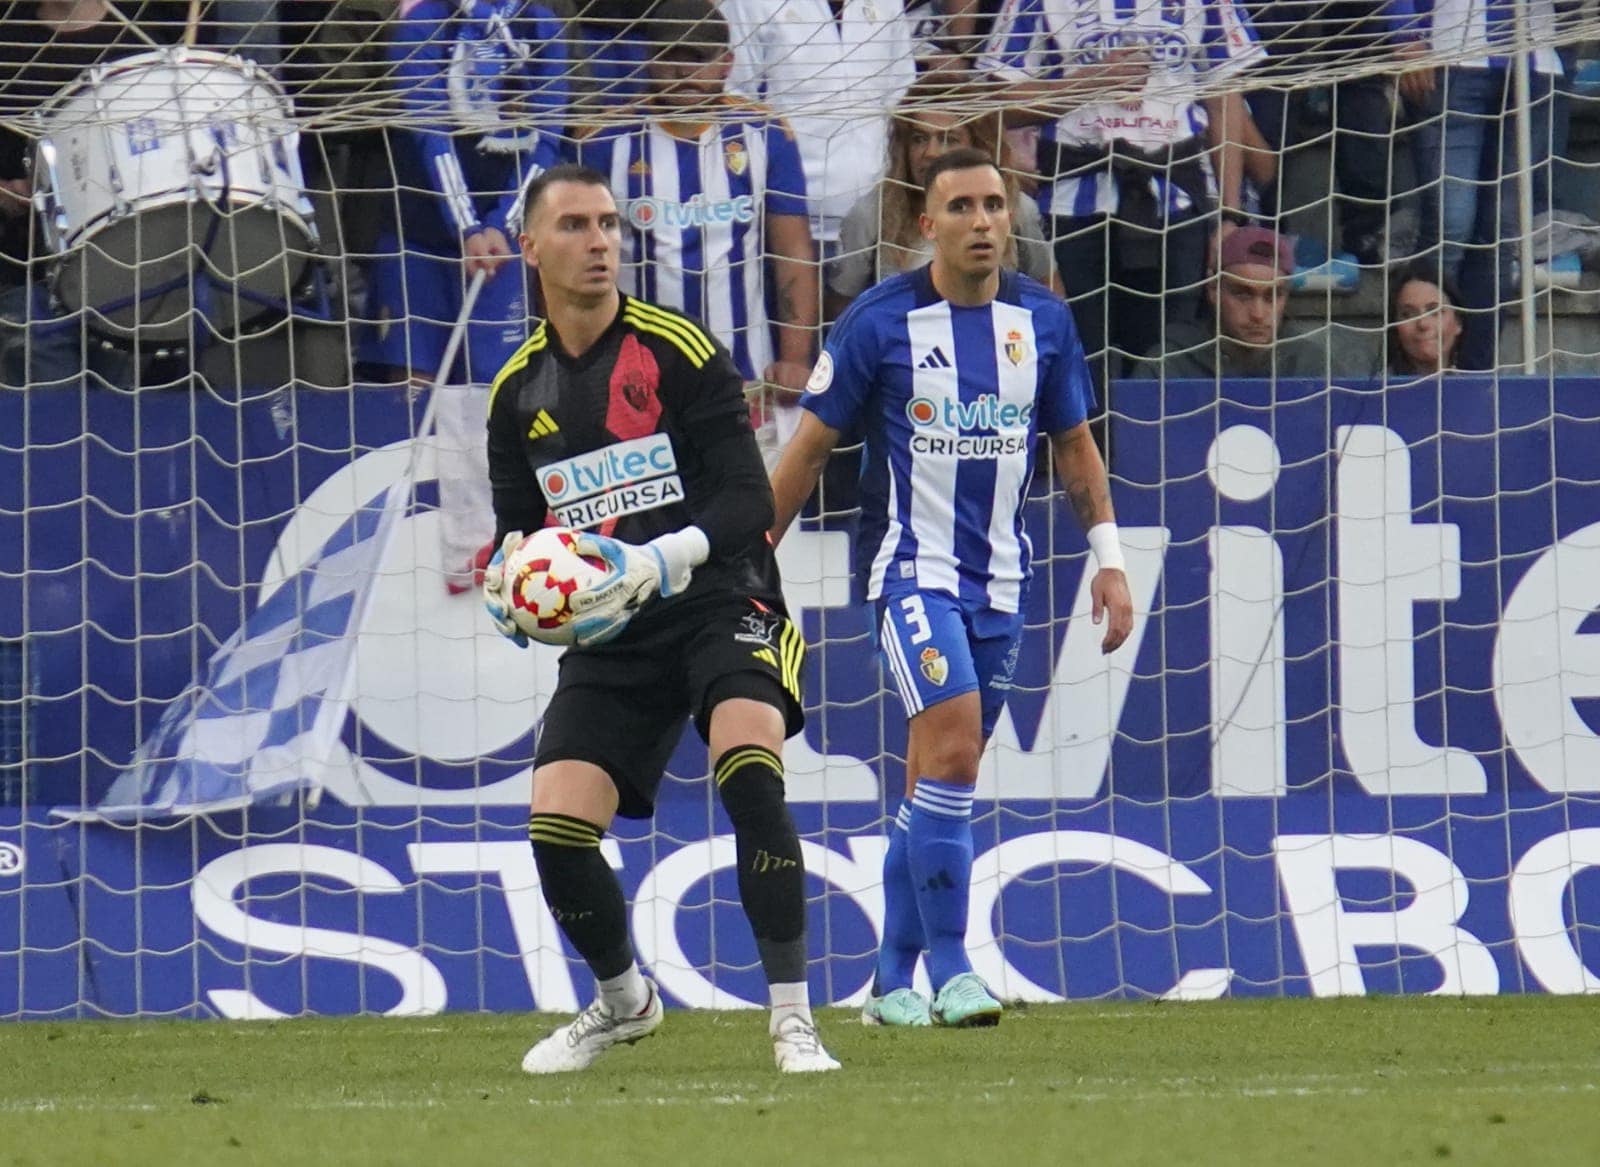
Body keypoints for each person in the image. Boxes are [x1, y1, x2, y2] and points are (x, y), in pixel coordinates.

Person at [480, 164, 839, 1074]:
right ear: (531, 247)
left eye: (607, 223)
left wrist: (657, 556)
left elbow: (748, 498)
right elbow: (520, 533)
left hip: (720, 598)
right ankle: (623, 1003)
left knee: (748, 767)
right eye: (574, 225)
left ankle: (794, 1020)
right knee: (556, 831)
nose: (600, 240)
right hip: (615, 633)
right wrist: (509, 586)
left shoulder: (677, 348)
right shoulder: (515, 395)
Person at [767, 148, 1134, 1027]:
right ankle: (955, 965)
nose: (981, 221)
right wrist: (754, 554)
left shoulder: (1042, 322)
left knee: (937, 779)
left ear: (1012, 220)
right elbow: (811, 446)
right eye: (961, 206)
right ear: (925, 225)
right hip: (908, 574)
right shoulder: (878, 321)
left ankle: (890, 983)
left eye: (994, 204)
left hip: (1002, 583)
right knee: (958, 753)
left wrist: (1110, 557)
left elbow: (1075, 446)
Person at [362, 0, 566, 593]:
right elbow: (428, 129)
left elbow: (546, 138)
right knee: (416, 384)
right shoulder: (426, 19)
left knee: (495, 383)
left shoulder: (540, 21)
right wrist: (466, 224)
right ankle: (418, 543)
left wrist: (504, 224)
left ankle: (498, 534)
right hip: (418, 232)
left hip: (500, 234)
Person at [979, 0, 1268, 386]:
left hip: (1176, 205)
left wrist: (1228, 216)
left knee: (1166, 360)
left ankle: (1157, 448)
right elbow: (996, 100)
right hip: (1072, 204)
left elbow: (1224, 98)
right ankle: (1086, 446)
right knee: (1077, 357)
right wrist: (1089, 81)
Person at [572, 0, 817, 453]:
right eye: (670, 56)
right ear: (648, 58)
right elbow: (570, 264)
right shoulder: (603, 141)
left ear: (726, 64)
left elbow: (793, 252)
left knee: (748, 518)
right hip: (633, 385)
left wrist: (796, 359)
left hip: (744, 383)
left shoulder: (766, 134)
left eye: (697, 59)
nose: (682, 71)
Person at [719, 0, 918, 283]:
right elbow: (733, 103)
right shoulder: (750, 4)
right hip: (789, 228)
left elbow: (901, 100)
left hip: (878, 225)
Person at [829, 79, 1056, 317]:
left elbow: (1049, 293)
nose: (931, 153)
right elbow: (842, 308)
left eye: (949, 139)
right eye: (919, 139)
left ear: (979, 146)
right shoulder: (871, 213)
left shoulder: (1018, 209)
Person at [1131, 225, 1336, 379]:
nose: (1258, 313)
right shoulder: (1168, 367)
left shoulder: (1312, 368)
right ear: (1213, 289)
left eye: (1272, 296)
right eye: (1243, 294)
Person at [1387, 262, 1463, 377]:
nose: (1423, 324)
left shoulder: (1481, 390)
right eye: (1408, 314)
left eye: (1434, 312)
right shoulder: (1376, 391)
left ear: (1458, 322)